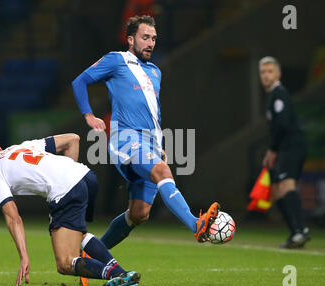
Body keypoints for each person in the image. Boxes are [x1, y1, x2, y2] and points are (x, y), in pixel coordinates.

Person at [71, 14, 221, 251]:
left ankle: (91, 255)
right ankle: (197, 225)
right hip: (125, 139)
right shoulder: (117, 60)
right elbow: (79, 82)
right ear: (131, 40)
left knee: (139, 214)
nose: (150, 43)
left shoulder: (155, 72)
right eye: (145, 37)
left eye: (153, 38)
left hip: (150, 143)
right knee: (162, 172)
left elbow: (153, 112)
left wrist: (159, 145)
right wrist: (89, 115)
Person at [0, 133, 140, 286]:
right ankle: (123, 274)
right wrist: (68, 174)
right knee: (77, 235)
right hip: (86, 177)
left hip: (67, 190)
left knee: (65, 263)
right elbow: (73, 139)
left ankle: (118, 275)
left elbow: (13, 218)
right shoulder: (22, 146)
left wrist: (24, 256)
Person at [259, 56, 310, 248]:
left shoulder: (279, 93)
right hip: (286, 147)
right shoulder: (273, 94)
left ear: (278, 74)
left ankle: (300, 231)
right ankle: (296, 233)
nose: (266, 75)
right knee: (278, 191)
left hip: (292, 146)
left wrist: (272, 150)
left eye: (270, 71)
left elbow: (283, 124)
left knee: (286, 186)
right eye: (263, 72)